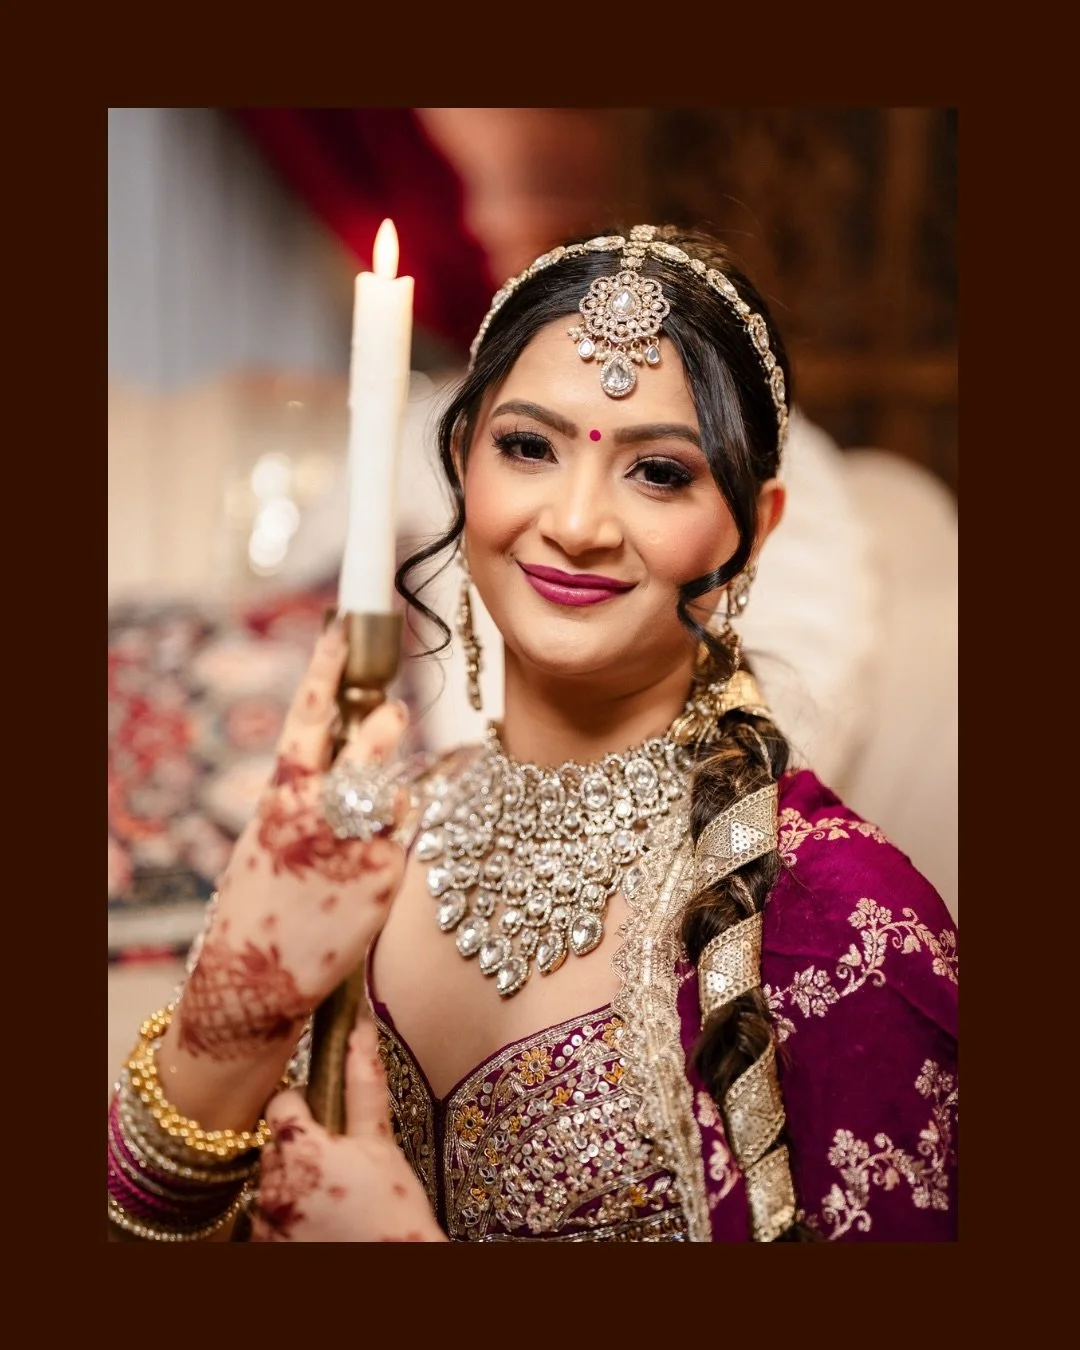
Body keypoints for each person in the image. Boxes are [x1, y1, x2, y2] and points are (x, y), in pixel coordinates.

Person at [107, 225, 957, 1243]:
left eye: (659, 473)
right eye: (526, 447)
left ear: (753, 528)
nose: (578, 522)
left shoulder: (850, 931)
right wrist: (229, 1015)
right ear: (462, 467)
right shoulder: (359, 844)